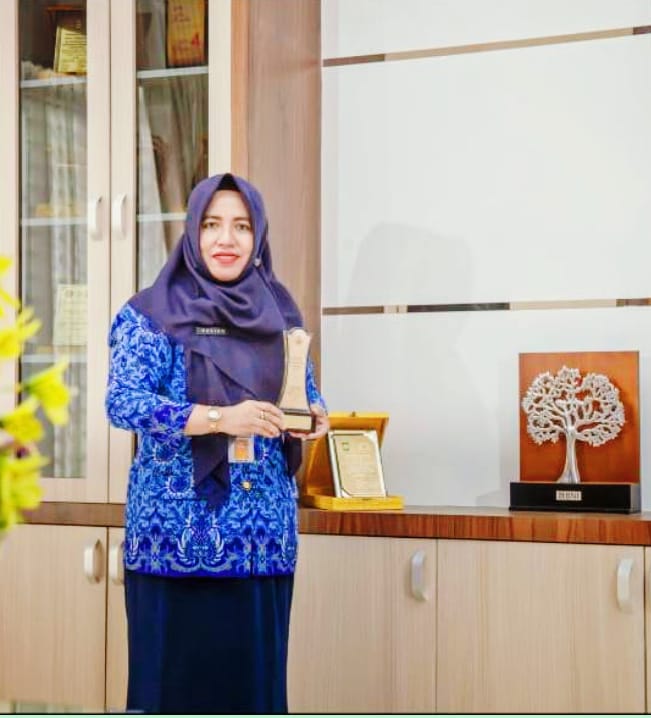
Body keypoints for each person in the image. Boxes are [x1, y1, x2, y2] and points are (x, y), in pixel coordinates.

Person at [105, 172, 329, 714]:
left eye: (241, 226)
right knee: (171, 695)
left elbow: (302, 392)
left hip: (260, 543)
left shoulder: (279, 313)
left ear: (258, 236)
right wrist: (218, 418)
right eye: (211, 225)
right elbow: (123, 402)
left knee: (252, 697)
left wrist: (313, 416)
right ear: (192, 232)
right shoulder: (151, 315)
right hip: (172, 541)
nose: (226, 239)